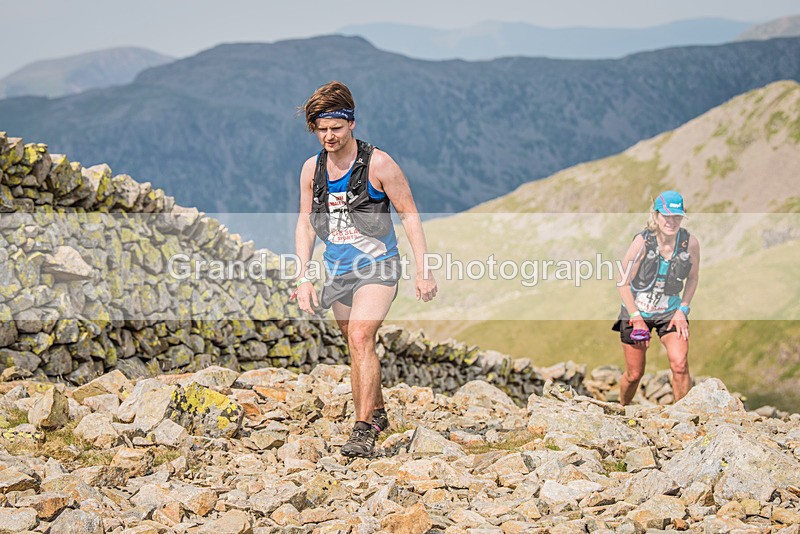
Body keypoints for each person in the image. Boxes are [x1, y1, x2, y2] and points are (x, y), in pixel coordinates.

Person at [294, 81, 438, 457]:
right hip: (338, 272)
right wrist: (304, 276)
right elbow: (306, 223)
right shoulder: (312, 169)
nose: (328, 136)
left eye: (336, 129)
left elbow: (409, 213)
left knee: (360, 337)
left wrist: (424, 271)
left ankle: (362, 431)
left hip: (378, 266)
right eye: (321, 129)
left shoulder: (379, 164)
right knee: (356, 346)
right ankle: (376, 412)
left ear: (351, 123)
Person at [613, 191, 700, 405]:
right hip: (636, 310)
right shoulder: (642, 242)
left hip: (669, 312)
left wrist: (683, 310)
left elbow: (693, 278)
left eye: (677, 216)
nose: (671, 221)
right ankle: (622, 409)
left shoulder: (690, 244)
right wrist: (636, 316)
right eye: (666, 216)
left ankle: (683, 416)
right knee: (634, 375)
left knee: (680, 365)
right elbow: (622, 281)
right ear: (656, 214)